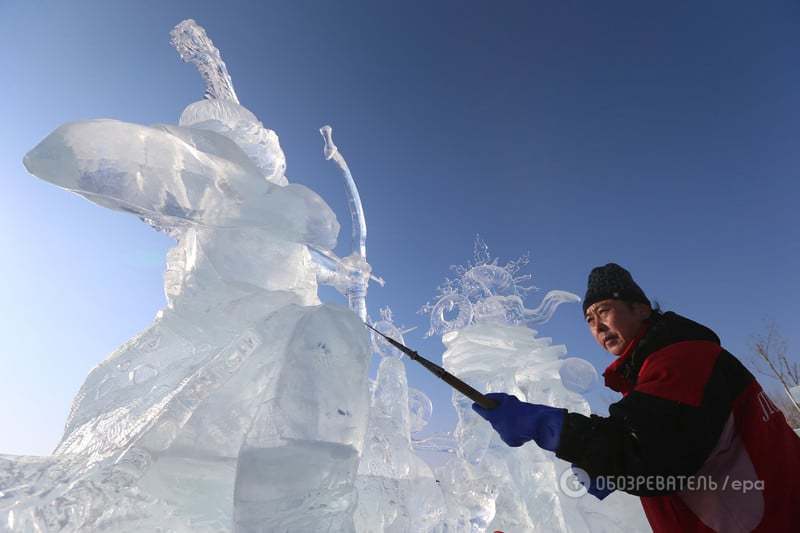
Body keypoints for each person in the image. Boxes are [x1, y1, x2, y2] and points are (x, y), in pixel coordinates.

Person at [473, 263, 800, 532]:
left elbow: (650, 459)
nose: (597, 326)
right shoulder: (660, 370)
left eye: (604, 310)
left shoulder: (683, 359)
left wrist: (547, 424)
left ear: (641, 309)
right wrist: (600, 466)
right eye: (589, 319)